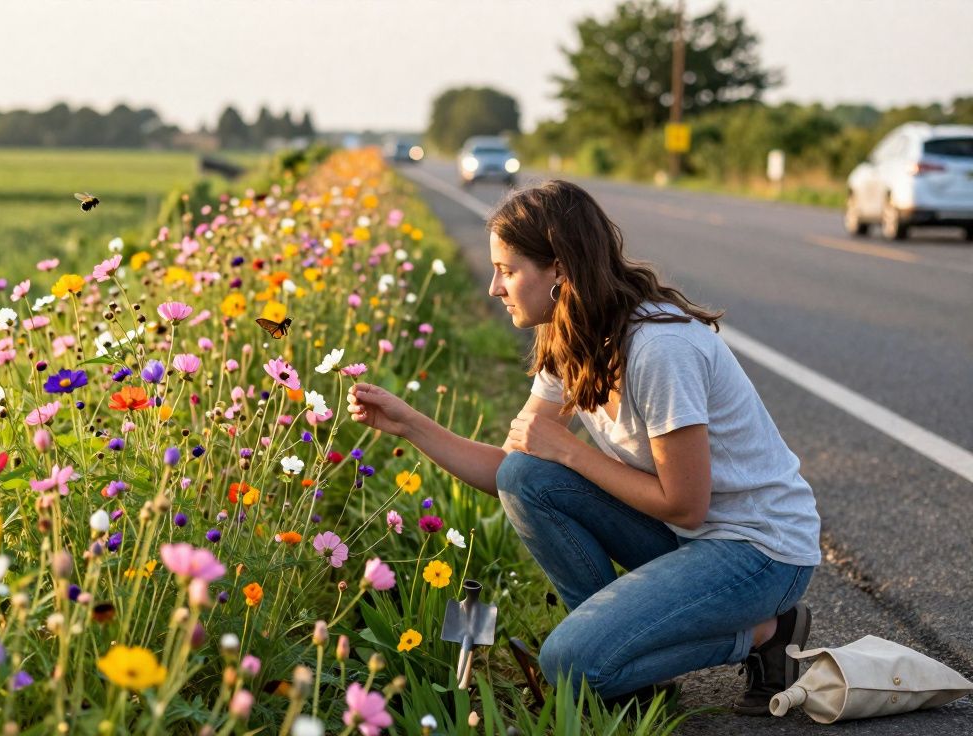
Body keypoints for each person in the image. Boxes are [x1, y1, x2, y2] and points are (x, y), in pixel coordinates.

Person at [346, 180, 820, 715]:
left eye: (508, 269)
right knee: (526, 478)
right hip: (686, 540)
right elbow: (511, 468)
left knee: (566, 664)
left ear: (560, 271)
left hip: (758, 553)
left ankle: (766, 634)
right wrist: (411, 425)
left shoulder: (660, 350)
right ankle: (623, 668)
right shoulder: (570, 337)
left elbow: (687, 503)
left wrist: (571, 453)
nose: (494, 288)